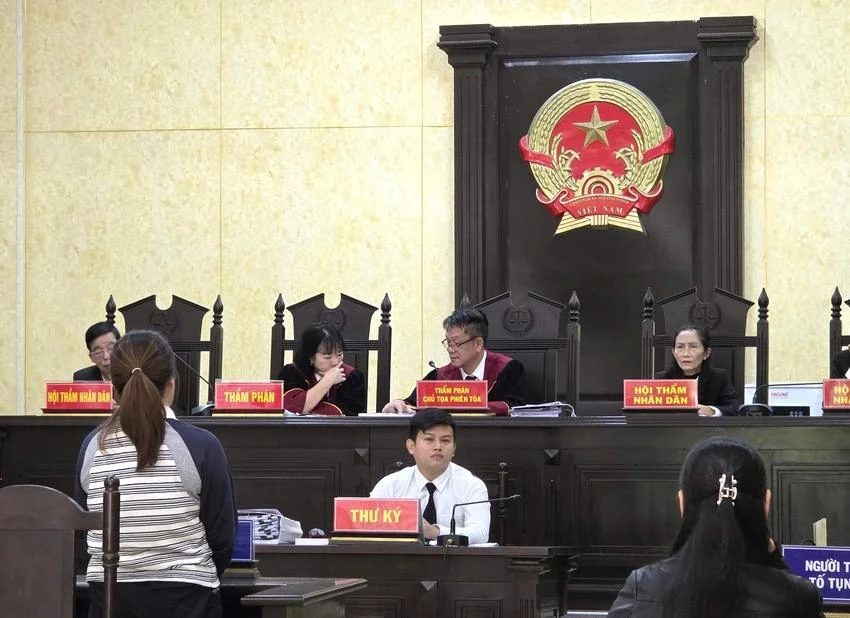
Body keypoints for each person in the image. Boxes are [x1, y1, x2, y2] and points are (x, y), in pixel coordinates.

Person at [74, 330, 237, 618]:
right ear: (171, 384)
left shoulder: (93, 446)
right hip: (189, 600)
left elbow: (82, 530)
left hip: (109, 599)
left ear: (113, 388)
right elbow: (223, 538)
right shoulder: (201, 445)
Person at [609, 436, 824, 618]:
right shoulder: (798, 596)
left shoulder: (643, 587)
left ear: (682, 503)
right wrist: (774, 558)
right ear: (766, 503)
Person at [370, 408, 490, 544]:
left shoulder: (471, 485)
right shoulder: (390, 485)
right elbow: (370, 526)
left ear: (454, 448)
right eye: (429, 439)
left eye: (445, 441)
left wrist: (435, 532)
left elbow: (480, 533)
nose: (438, 447)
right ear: (411, 446)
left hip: (453, 558)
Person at [382, 307, 525, 416]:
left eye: (457, 343)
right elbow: (413, 403)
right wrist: (398, 403)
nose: (450, 350)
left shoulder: (508, 369)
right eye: (448, 343)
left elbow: (514, 407)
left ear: (478, 344)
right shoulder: (440, 375)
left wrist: (467, 405)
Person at [278, 324, 366, 415]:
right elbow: (290, 408)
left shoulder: (352, 377)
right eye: (327, 357)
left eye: (339, 354)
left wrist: (309, 408)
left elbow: (349, 416)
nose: (335, 362)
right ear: (310, 357)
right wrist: (328, 381)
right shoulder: (292, 373)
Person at [658, 324, 739, 416]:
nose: (686, 354)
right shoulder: (662, 379)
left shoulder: (719, 378)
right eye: (680, 347)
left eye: (693, 347)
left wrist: (711, 411)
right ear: (673, 352)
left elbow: (734, 408)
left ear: (706, 353)